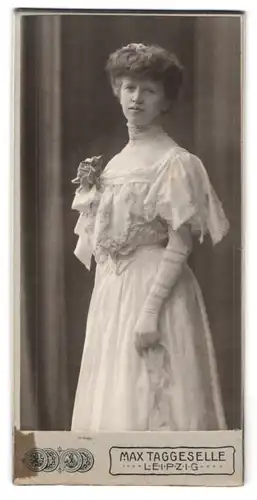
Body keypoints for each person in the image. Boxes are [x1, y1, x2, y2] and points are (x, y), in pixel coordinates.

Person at [70, 43, 229, 432]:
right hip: (113, 295)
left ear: (165, 100)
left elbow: (181, 243)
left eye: (148, 90)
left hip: (155, 291)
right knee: (114, 397)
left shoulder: (174, 161)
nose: (136, 98)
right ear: (117, 92)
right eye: (128, 88)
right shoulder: (114, 163)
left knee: (155, 399)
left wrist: (149, 312)